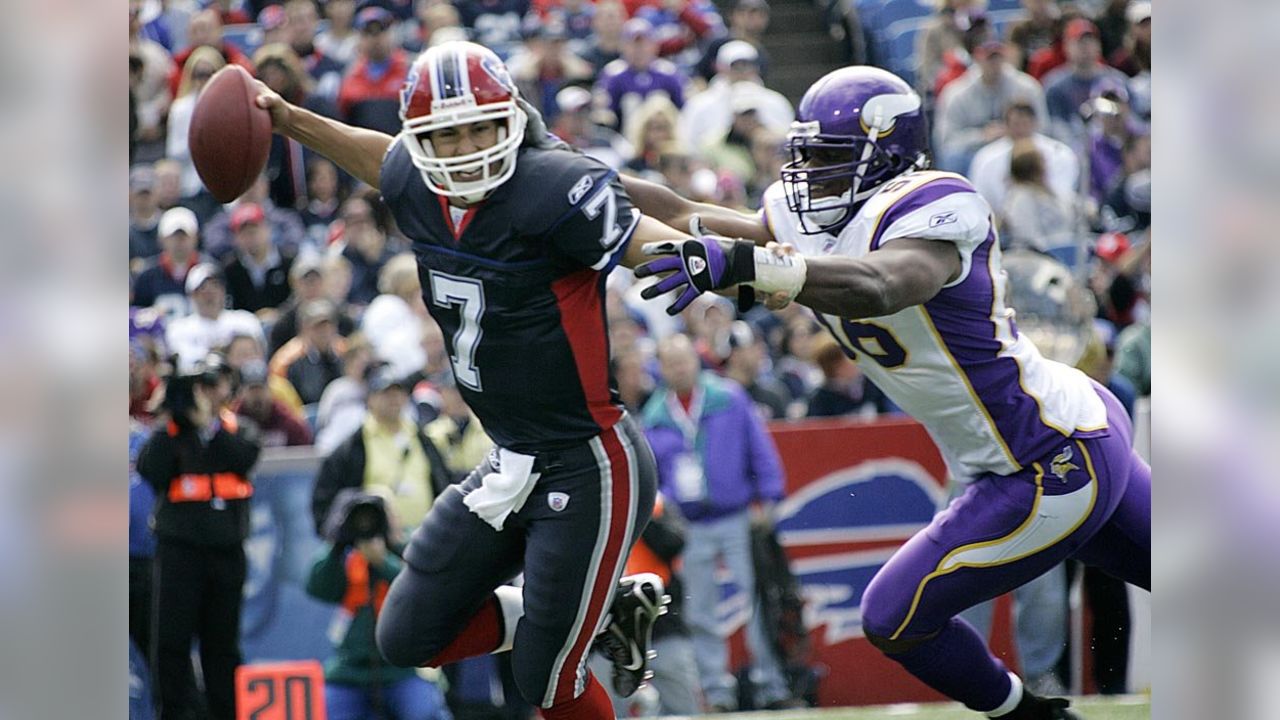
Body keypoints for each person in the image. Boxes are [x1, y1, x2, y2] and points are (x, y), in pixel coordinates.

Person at [624, 65, 1151, 719]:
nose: (810, 172)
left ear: (888, 155)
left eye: (829, 156)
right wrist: (567, 177)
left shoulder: (934, 203)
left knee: (893, 615)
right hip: (1049, 435)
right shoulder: (805, 216)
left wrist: (753, 266)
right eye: (806, 153)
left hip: (1044, 458)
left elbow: (884, 282)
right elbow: (678, 214)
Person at [248, 39, 711, 710]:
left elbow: (645, 236)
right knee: (406, 635)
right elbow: (376, 155)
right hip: (511, 458)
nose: (465, 147)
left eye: (479, 127)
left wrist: (733, 257)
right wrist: (290, 119)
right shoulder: (413, 181)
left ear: (512, 120)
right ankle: (596, 616)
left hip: (589, 459)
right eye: (446, 134)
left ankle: (574, 627)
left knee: (545, 677)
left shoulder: (550, 184)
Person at [642, 334, 795, 711]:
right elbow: (654, 478)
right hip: (689, 525)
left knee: (760, 599)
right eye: (671, 362)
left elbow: (759, 447)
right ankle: (716, 691)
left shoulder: (728, 397)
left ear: (695, 361)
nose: (679, 368)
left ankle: (771, 684)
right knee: (699, 610)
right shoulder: (654, 415)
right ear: (661, 368)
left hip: (736, 514)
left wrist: (769, 496)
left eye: (684, 360)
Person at [135, 360, 262, 720]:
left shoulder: (240, 430)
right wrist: (173, 418)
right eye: (199, 386)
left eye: (213, 384)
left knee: (222, 647)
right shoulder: (171, 433)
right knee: (171, 643)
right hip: (180, 551)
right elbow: (152, 469)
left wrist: (209, 425)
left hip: (226, 552)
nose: (206, 394)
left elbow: (244, 457)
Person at [306, 490, 453, 720]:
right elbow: (317, 588)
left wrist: (384, 561)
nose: (369, 522)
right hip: (351, 669)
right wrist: (336, 543)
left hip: (405, 668)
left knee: (424, 712)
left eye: (379, 514)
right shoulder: (345, 556)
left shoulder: (413, 545)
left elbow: (423, 590)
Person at [165, 263, 266, 371]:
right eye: (203, 289)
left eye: (215, 286)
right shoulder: (178, 329)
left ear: (224, 290)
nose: (210, 294)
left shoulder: (246, 321)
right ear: (192, 295)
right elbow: (184, 363)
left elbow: (258, 359)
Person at [132, 207, 207, 317]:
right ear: (161, 239)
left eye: (184, 237)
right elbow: (137, 317)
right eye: (174, 237)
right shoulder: (147, 275)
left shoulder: (209, 271)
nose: (179, 242)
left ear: (196, 238)